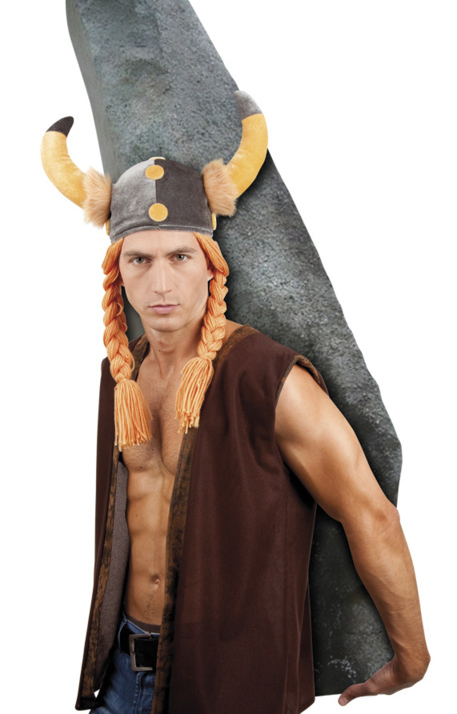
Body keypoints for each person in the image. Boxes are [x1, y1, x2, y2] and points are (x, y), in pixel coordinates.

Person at [41, 93, 429, 714]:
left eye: (179, 257)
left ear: (211, 265)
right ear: (118, 272)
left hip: (232, 687)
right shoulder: (119, 376)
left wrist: (413, 658)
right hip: (121, 675)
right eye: (140, 260)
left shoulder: (269, 380)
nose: (161, 283)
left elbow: (370, 514)